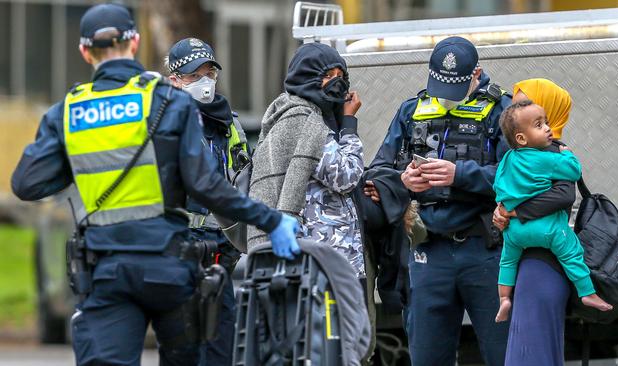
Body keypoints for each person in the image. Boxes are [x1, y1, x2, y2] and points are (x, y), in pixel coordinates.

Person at [11, 4, 299, 365]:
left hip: (106, 268)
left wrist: (77, 160)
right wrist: (271, 221)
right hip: (169, 265)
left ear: (84, 51)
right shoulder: (166, 103)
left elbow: (26, 183)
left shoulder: (70, 111)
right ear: (135, 42)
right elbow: (206, 185)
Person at [366, 36, 511, 366]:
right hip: (427, 251)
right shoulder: (411, 110)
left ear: (477, 74)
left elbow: (518, 178)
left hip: (485, 251)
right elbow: (377, 171)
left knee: (504, 355)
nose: (444, 98)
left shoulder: (501, 110)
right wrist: (402, 181)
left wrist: (459, 174)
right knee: (428, 358)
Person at [492, 78, 599, 366]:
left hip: (544, 264)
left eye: (523, 104)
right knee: (531, 348)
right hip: (530, 262)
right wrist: (501, 212)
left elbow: (563, 196)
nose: (516, 109)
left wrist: (516, 212)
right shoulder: (527, 153)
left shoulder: (554, 151)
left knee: (532, 351)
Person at [247, 42, 364, 277]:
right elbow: (346, 176)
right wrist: (349, 123)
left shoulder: (296, 113)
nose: (336, 83)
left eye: (341, 76)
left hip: (322, 255)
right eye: (328, 76)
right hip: (318, 260)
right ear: (306, 77)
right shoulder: (306, 121)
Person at [165, 37, 247, 366]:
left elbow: (243, 180)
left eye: (209, 73)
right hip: (178, 246)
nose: (205, 82)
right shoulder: (161, 123)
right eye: (193, 75)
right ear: (174, 80)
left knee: (220, 342)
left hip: (219, 250)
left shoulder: (228, 124)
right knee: (183, 344)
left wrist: (235, 243)